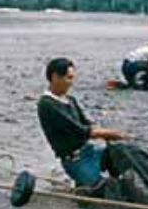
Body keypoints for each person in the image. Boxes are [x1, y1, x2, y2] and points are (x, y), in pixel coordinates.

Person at [37, 57, 125, 190]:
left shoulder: (70, 100)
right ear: (55, 77)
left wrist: (109, 134)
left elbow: (87, 124)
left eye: (72, 78)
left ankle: (88, 183)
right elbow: (81, 130)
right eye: (68, 78)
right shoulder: (47, 104)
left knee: (124, 154)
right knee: (101, 189)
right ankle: (85, 184)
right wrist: (109, 133)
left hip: (90, 152)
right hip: (75, 161)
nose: (71, 83)